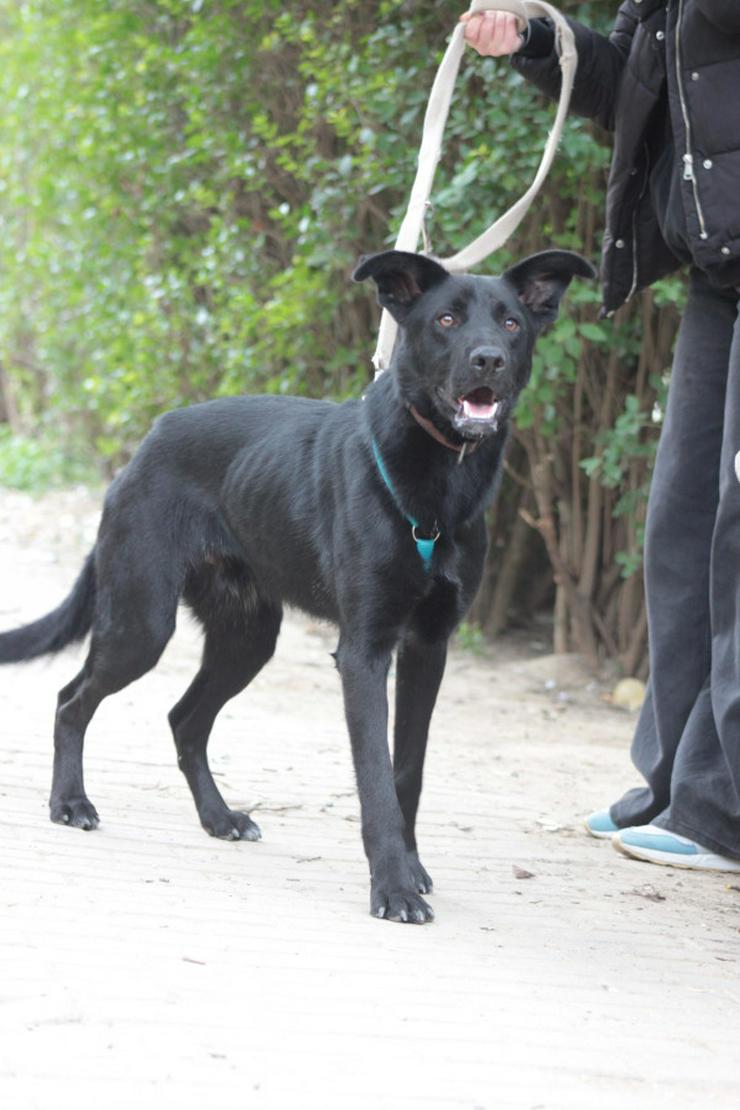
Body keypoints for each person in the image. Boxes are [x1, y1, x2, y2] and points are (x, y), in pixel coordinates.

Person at [462, 1, 740, 872]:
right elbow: (630, 87)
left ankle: (723, 809)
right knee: (683, 527)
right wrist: (538, 41)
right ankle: (676, 783)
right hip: (720, 269)